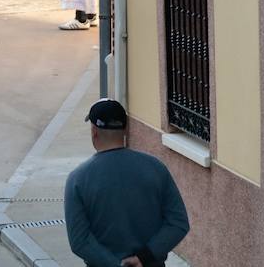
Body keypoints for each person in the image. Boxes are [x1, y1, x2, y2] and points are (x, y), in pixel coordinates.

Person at [64, 98, 189, 267]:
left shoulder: (77, 179)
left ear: (94, 131)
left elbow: (79, 241)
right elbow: (178, 224)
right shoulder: (155, 168)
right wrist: (143, 258)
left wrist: (116, 264)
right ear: (126, 130)